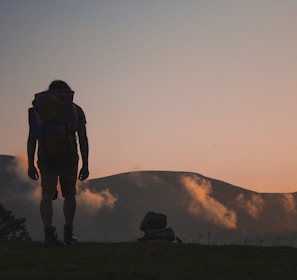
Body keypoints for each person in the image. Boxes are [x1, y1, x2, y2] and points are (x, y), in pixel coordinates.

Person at [27, 80, 89, 246]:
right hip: (68, 156)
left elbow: (32, 138)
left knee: (46, 194)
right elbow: (83, 138)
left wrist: (30, 163)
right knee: (69, 195)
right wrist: (85, 164)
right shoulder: (75, 110)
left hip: (46, 155)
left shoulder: (40, 110)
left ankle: (48, 234)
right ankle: (68, 234)